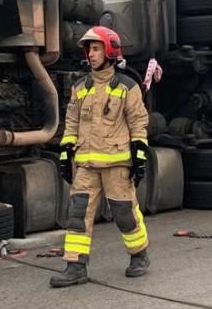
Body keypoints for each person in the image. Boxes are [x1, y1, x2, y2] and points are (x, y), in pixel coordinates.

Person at [52, 26, 150, 287]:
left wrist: (139, 157)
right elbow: (71, 123)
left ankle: (139, 255)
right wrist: (65, 152)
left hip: (117, 162)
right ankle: (75, 266)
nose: (91, 54)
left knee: (124, 213)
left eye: (96, 49)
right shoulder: (80, 88)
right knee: (77, 214)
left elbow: (138, 123)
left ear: (109, 52)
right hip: (85, 163)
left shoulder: (127, 87)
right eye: (89, 49)